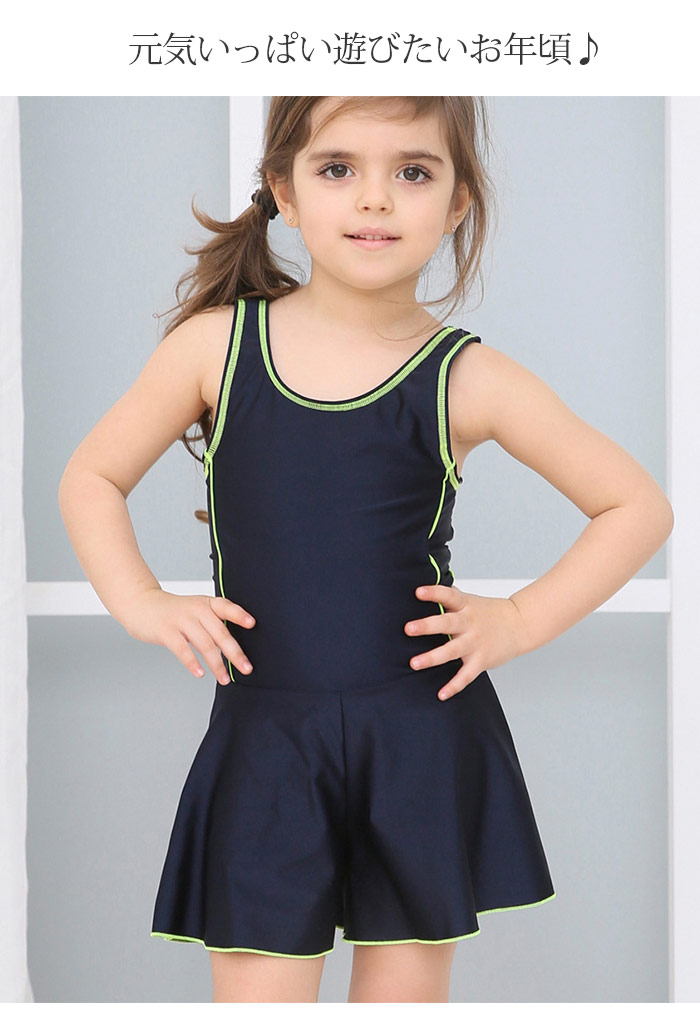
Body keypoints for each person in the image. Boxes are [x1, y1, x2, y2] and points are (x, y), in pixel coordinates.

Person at [58, 96, 674, 1004]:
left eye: (413, 171)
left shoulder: (468, 375)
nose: (375, 198)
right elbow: (93, 475)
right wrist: (141, 600)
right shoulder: (215, 349)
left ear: (457, 203)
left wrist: (518, 619)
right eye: (338, 168)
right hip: (266, 740)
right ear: (285, 191)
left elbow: (637, 505)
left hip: (419, 737)